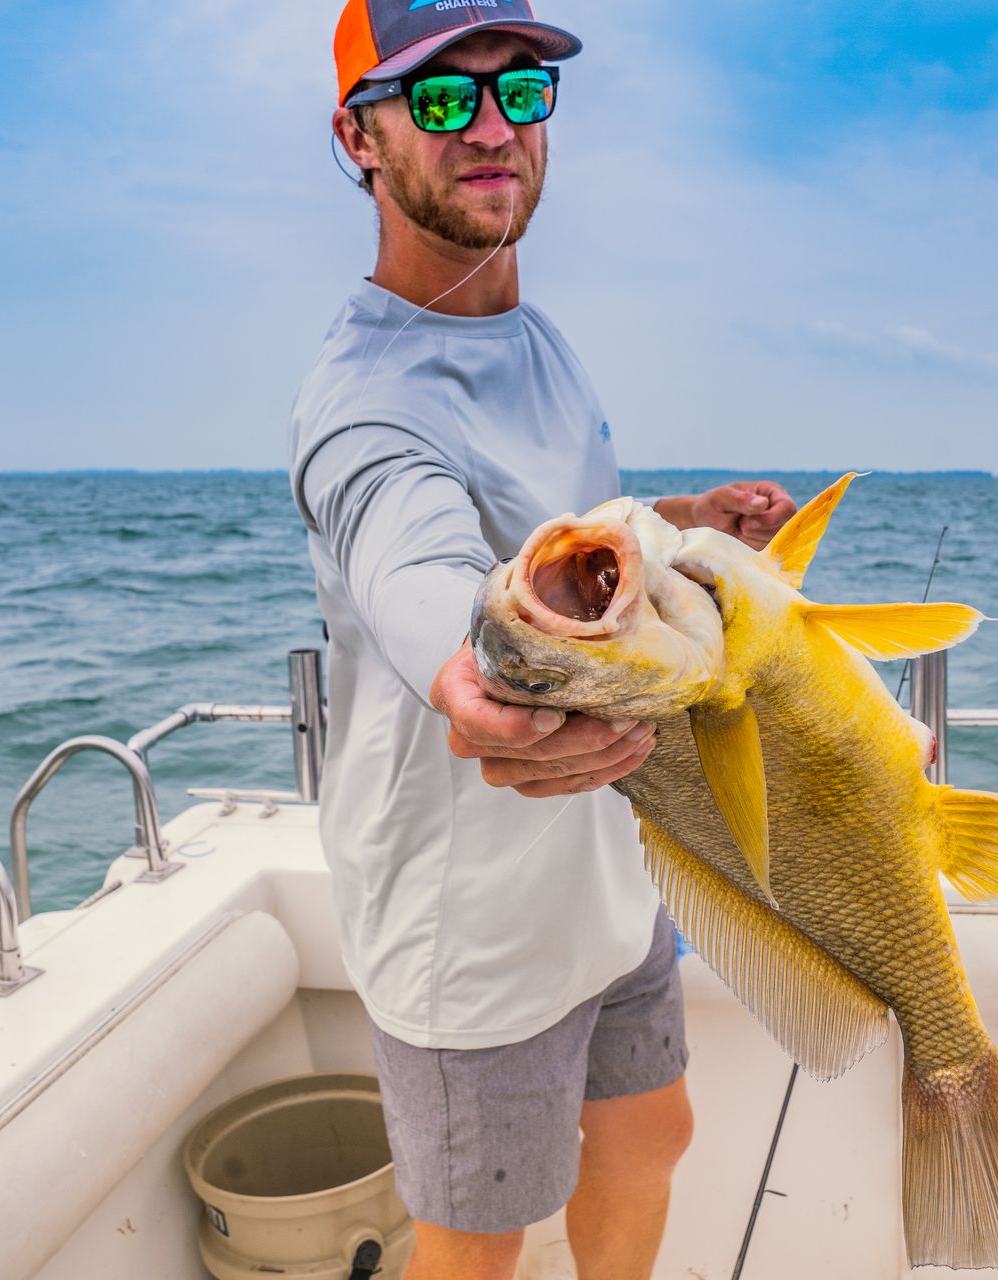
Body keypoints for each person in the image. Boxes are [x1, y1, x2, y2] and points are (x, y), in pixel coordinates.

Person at [289, 3, 798, 1276]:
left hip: (607, 877)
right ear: (360, 136)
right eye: (444, 102)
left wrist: (685, 521)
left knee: (650, 1136)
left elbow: (560, 523)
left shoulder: (535, 333)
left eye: (519, 92)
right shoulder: (365, 406)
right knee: (476, 1245)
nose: (495, 129)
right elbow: (419, 566)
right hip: (474, 928)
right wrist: (474, 687)